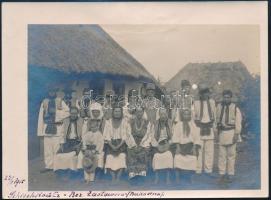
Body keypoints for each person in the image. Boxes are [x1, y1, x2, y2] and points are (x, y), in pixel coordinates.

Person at [172, 80, 201, 183]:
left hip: (190, 121)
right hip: (180, 121)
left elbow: (193, 111)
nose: (186, 89)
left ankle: (191, 177)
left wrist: (189, 118)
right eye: (184, 87)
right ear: (182, 88)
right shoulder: (177, 98)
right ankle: (177, 177)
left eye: (188, 87)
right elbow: (175, 109)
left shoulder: (192, 99)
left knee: (192, 157)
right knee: (178, 156)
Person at [37, 87, 70, 173]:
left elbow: (68, 112)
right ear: (48, 92)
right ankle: (49, 166)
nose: (52, 93)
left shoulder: (60, 101)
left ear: (55, 92)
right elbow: (41, 117)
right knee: (48, 150)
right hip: (47, 128)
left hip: (57, 128)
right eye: (50, 91)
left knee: (56, 149)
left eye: (53, 91)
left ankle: (57, 166)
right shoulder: (44, 102)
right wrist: (40, 131)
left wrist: (57, 113)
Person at [216, 89, 242, 183]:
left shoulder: (235, 108)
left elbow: (238, 122)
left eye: (228, 97)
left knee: (231, 155)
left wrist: (236, 134)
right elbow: (217, 119)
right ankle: (222, 174)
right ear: (222, 97)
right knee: (222, 155)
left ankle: (230, 174)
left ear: (231, 98)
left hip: (231, 132)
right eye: (225, 97)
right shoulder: (219, 106)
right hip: (222, 133)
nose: (226, 99)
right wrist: (217, 131)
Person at [103, 105, 133, 183]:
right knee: (109, 157)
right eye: (115, 111)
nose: (117, 113)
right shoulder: (108, 121)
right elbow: (106, 135)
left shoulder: (125, 121)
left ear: (121, 113)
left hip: (121, 143)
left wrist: (119, 145)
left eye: (119, 111)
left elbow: (126, 135)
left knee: (122, 157)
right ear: (113, 112)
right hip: (111, 143)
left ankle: (118, 177)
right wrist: (112, 145)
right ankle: (113, 177)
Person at [77, 103, 105, 184]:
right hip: (87, 150)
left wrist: (96, 150)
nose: (95, 113)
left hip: (96, 150)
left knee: (94, 158)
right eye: (94, 112)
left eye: (97, 112)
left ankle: (92, 178)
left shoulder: (99, 132)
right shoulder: (88, 130)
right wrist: (84, 149)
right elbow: (84, 140)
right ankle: (86, 177)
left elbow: (101, 143)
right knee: (83, 157)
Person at [53, 107, 83, 178]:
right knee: (58, 154)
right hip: (67, 142)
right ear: (70, 113)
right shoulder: (66, 120)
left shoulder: (81, 120)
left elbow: (83, 134)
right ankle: (61, 171)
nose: (73, 115)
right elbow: (62, 133)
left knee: (73, 155)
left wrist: (80, 144)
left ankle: (73, 171)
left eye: (75, 113)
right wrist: (61, 144)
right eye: (72, 113)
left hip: (77, 142)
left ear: (77, 114)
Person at [193, 85, 216, 175]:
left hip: (209, 127)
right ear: (200, 94)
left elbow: (214, 116)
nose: (205, 95)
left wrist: (215, 129)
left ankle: (208, 169)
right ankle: (198, 169)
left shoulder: (212, 102)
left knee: (209, 151)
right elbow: (193, 116)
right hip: (199, 128)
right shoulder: (196, 103)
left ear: (208, 94)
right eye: (203, 93)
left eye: (206, 93)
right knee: (199, 150)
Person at [126, 106, 152, 183]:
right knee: (130, 150)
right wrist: (134, 145)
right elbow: (128, 134)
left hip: (144, 143)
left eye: (141, 111)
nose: (139, 113)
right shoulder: (130, 121)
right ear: (135, 113)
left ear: (143, 112)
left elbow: (149, 135)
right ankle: (133, 174)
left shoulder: (147, 122)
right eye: (137, 111)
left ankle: (141, 174)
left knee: (144, 151)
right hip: (132, 142)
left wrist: (141, 145)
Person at [151, 108, 174, 185]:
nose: (163, 116)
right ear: (159, 115)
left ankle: (167, 178)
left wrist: (168, 144)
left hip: (168, 144)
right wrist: (157, 146)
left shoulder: (170, 123)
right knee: (157, 156)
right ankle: (156, 177)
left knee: (168, 155)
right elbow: (152, 137)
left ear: (166, 114)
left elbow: (173, 136)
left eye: (164, 114)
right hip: (158, 145)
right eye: (161, 114)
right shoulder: (155, 123)